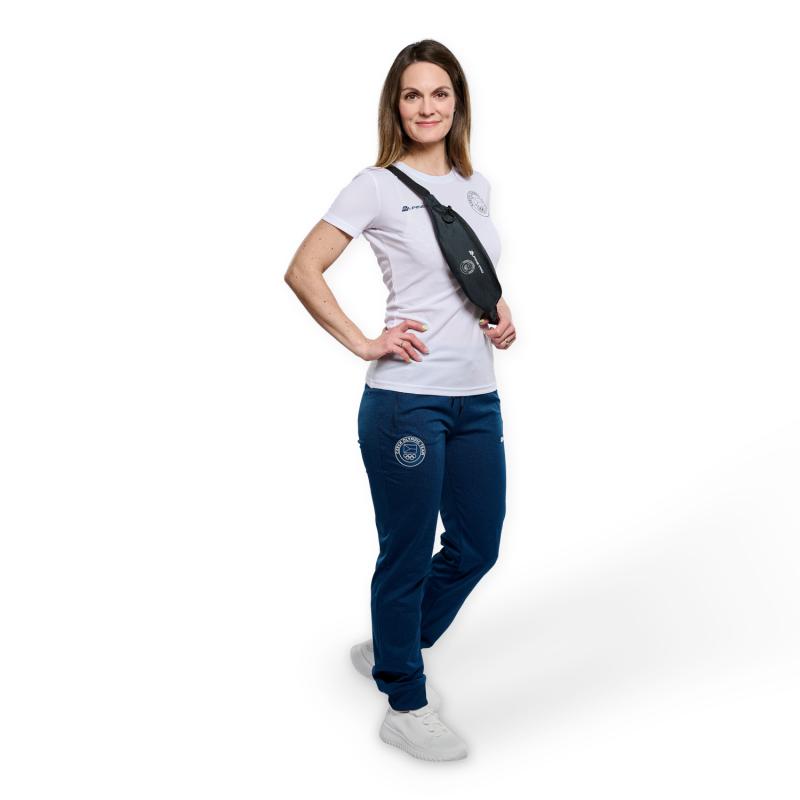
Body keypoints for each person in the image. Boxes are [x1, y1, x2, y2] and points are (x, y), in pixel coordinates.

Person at [284, 39, 516, 761]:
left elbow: (466, 274)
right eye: (413, 95)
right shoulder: (376, 186)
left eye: (440, 93)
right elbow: (303, 269)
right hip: (406, 401)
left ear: (458, 103)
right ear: (396, 105)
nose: (427, 107)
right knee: (408, 553)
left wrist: (500, 312)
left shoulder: (475, 186)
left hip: (476, 398)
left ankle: (392, 644)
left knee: (477, 546)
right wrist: (364, 341)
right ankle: (404, 701)